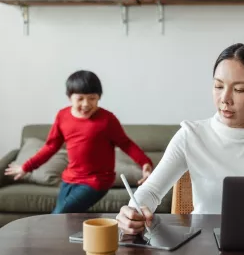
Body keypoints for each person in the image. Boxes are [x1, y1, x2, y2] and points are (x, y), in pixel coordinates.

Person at [116, 43, 244, 235]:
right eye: (218, 86)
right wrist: (133, 211)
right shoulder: (191, 135)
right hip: (204, 249)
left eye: (239, 90)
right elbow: (152, 191)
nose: (225, 99)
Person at [5, 70, 153, 214]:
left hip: (97, 181)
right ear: (70, 97)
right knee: (66, 219)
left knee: (59, 215)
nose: (86, 104)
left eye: (92, 98)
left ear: (99, 97)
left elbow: (126, 143)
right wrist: (27, 167)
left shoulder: (107, 120)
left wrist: (145, 163)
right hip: (70, 178)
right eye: (80, 98)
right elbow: (51, 146)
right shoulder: (62, 116)